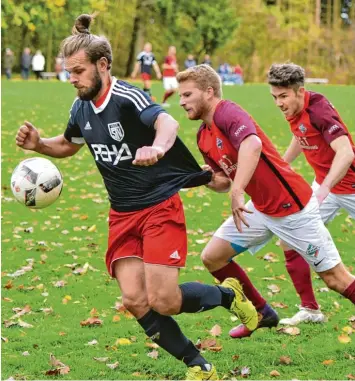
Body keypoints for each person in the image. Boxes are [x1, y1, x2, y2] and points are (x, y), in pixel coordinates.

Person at [15, 14, 258, 380]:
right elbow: (68, 144)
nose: (73, 79)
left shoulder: (127, 96)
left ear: (103, 65)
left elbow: (168, 123)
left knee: (165, 300)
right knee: (134, 300)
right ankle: (200, 365)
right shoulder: (80, 107)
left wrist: (158, 149)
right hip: (122, 213)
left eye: (78, 71)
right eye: (69, 72)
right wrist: (40, 145)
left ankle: (228, 295)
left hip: (159, 206)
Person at [176, 64, 355, 339]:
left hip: (292, 208)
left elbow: (253, 145)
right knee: (213, 257)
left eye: (187, 95)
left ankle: (307, 306)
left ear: (209, 92)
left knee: (336, 279)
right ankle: (262, 313)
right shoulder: (203, 135)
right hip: (261, 208)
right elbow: (223, 181)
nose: (181, 102)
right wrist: (200, 179)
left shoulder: (228, 112)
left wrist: (238, 192)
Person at [267, 62, 355, 325]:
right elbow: (301, 135)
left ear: (300, 91)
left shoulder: (319, 110)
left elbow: (346, 152)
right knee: (290, 238)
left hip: (349, 187)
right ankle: (310, 309)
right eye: (274, 97)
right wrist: (282, 166)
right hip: (326, 186)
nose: (278, 103)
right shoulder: (295, 109)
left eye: (283, 96)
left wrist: (325, 188)